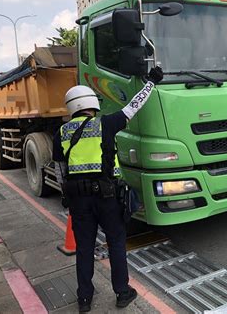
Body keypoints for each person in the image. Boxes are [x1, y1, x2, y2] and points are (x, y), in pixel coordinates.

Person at [52, 68, 163, 312]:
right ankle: (122, 293)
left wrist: (66, 196)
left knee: (84, 249)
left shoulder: (60, 132)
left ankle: (84, 299)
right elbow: (134, 105)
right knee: (115, 244)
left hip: (79, 201)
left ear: (71, 107)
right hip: (108, 197)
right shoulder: (107, 123)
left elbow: (60, 171)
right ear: (92, 103)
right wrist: (151, 82)